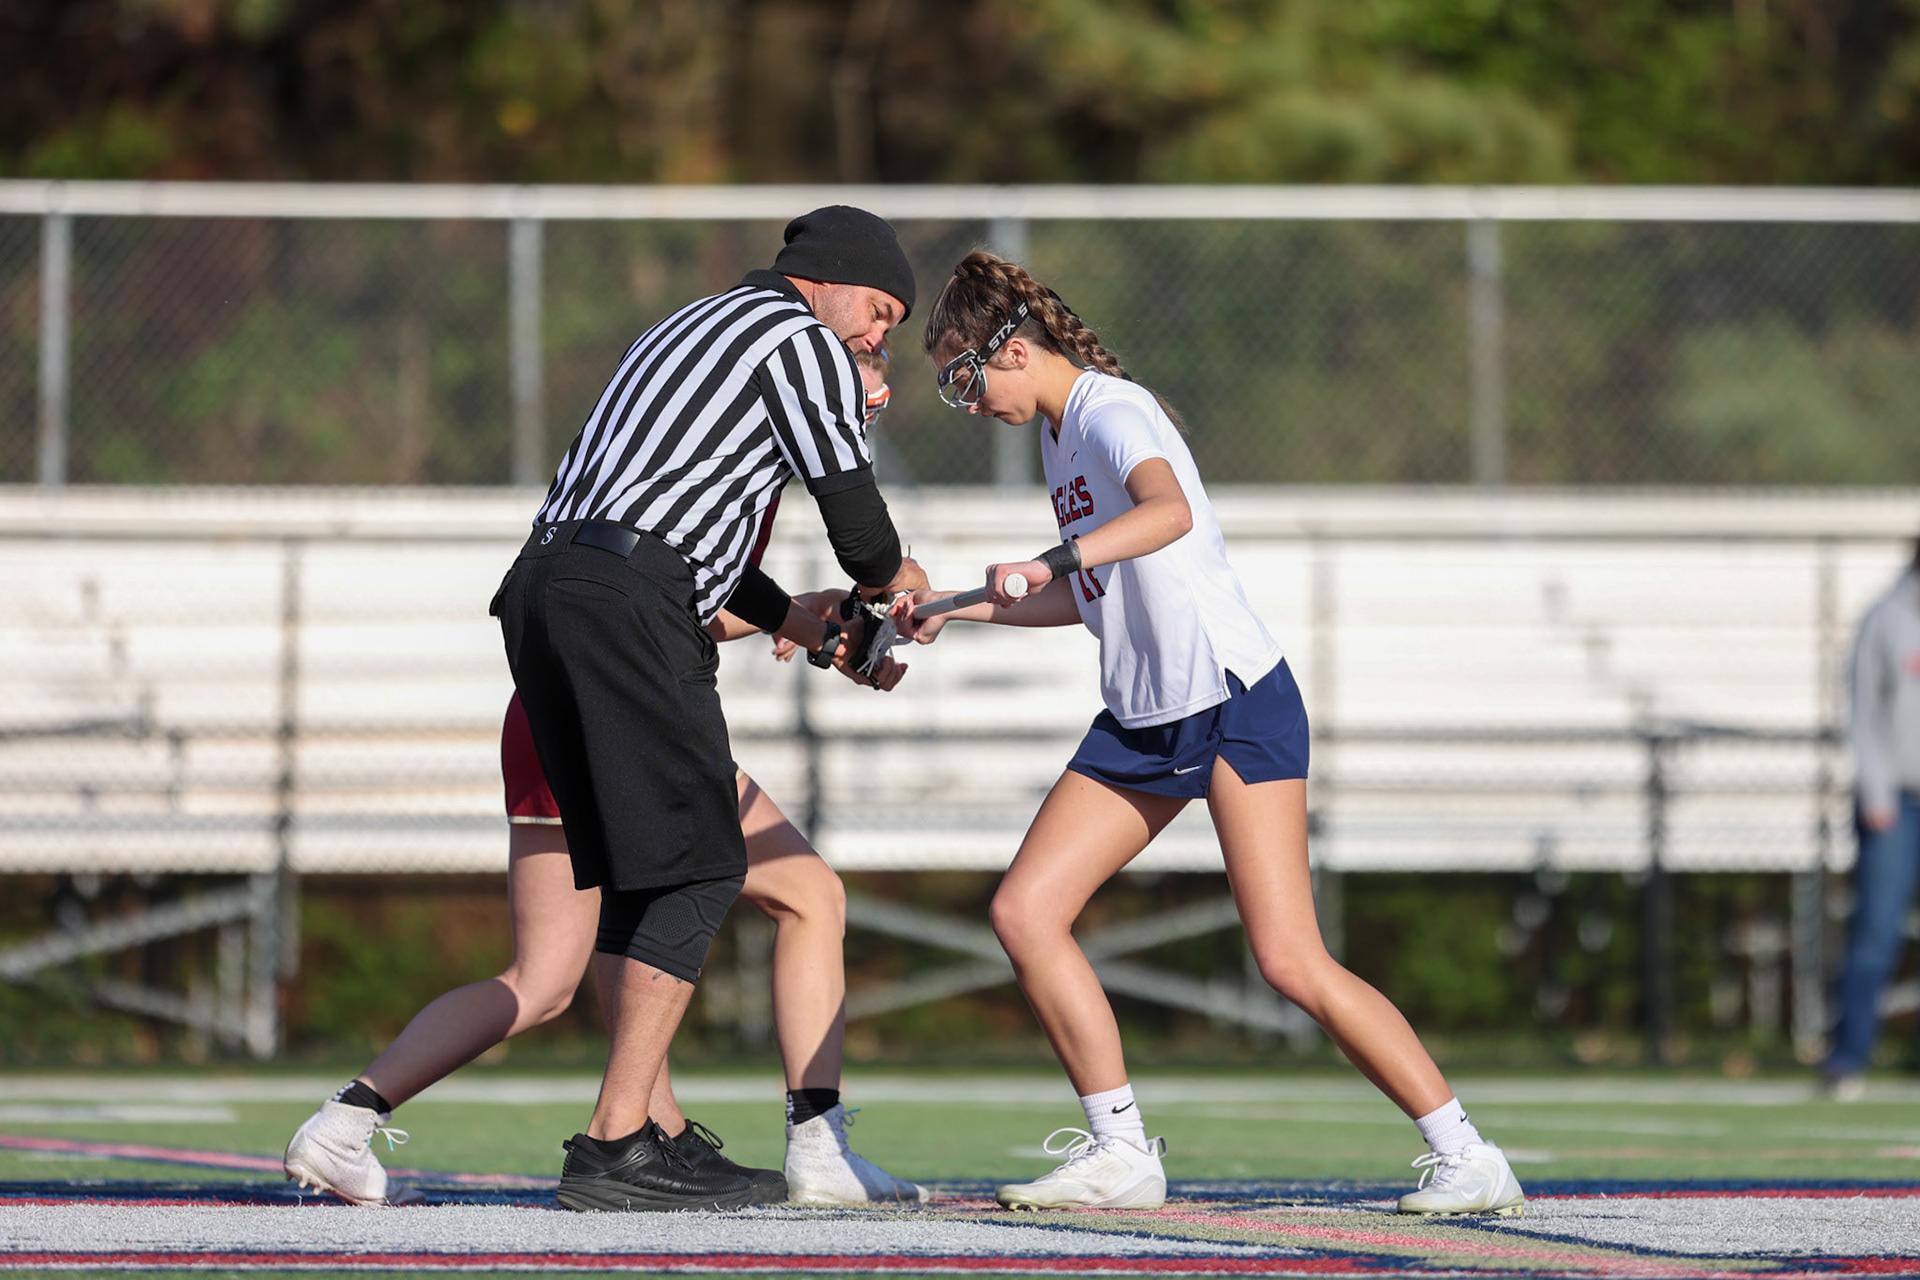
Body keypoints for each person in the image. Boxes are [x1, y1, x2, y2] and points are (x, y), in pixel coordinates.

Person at [893, 251, 1525, 1217]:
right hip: (1147, 711)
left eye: (965, 378)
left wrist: (1046, 556)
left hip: (1228, 698)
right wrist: (960, 607)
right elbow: (1086, 592)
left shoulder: (1113, 410)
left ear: (1013, 349)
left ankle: (1468, 1154)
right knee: (1025, 912)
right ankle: (1120, 1154)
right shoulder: (1064, 437)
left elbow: (1167, 514)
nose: (967, 402)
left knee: (1290, 959)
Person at [283, 348, 927, 1208]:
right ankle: (814, 1143)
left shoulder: (686, 431)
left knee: (545, 978)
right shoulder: (741, 453)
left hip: (545, 703)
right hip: (616, 695)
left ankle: (345, 1121)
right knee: (806, 893)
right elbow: (667, 603)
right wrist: (814, 617)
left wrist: (804, 622)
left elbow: (681, 586)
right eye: (856, 408)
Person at [497, 206, 920, 1212]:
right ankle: (614, 1141)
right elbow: (861, 536)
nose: (877, 337)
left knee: (645, 873)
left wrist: (806, 622)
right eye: (879, 310)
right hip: (627, 606)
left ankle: (650, 1129)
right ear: (829, 279)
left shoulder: (691, 324)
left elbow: (675, 532)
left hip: (545, 591)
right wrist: (897, 590)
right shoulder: (802, 343)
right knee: (702, 863)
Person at [1823, 533, 1920, 1100]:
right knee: (1875, 935)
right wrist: (1876, 796)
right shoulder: (1886, 618)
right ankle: (1847, 1058)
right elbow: (1862, 715)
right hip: (1897, 805)